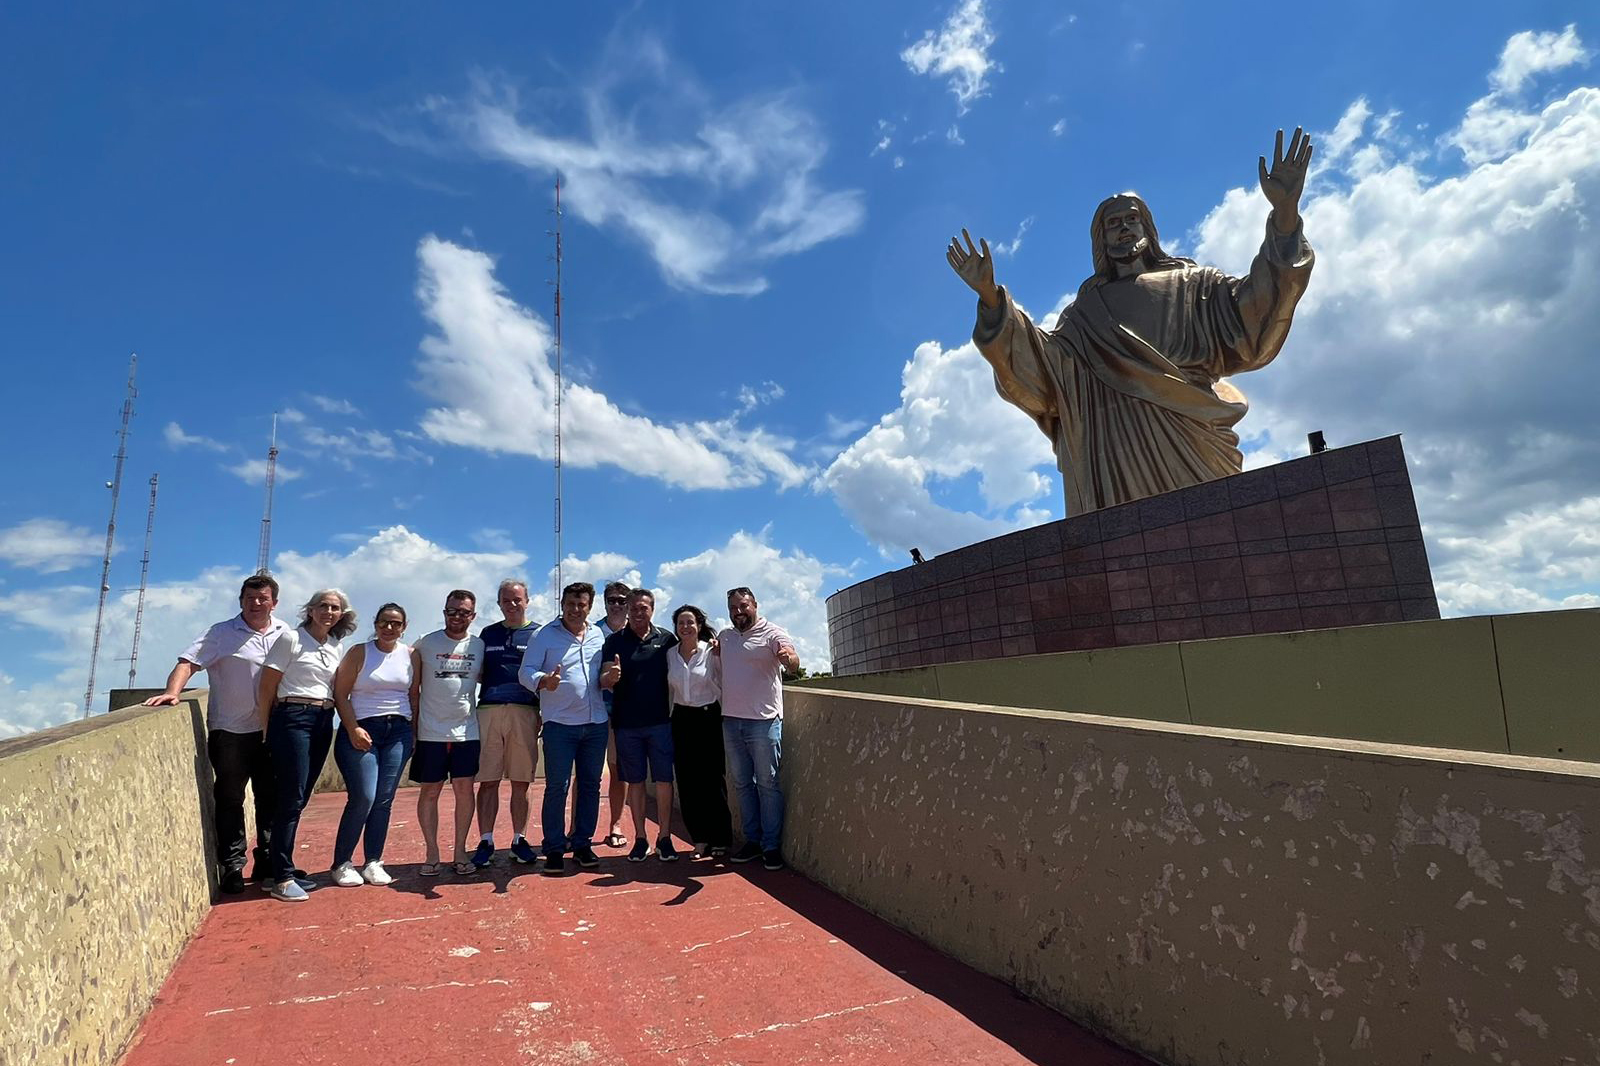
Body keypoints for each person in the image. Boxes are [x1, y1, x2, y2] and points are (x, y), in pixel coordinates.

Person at [946, 128, 1315, 513]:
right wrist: (990, 296)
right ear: (1100, 240)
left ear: (1147, 229)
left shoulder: (1195, 285)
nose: (1123, 227)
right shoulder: (1084, 315)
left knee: (1220, 542)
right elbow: (1043, 372)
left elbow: (1257, 311)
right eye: (1112, 223)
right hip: (1112, 461)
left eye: (1132, 219)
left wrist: (1285, 215)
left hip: (1193, 446)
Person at [143, 574, 290, 893]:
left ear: (273, 603)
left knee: (270, 800)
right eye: (249, 598)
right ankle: (233, 866)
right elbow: (187, 662)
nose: (255, 604)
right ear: (241, 601)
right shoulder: (221, 633)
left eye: (262, 598)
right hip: (230, 732)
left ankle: (266, 862)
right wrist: (172, 691)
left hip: (271, 729)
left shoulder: (285, 633)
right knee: (230, 799)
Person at [258, 588, 357, 902]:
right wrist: (265, 728)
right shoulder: (290, 639)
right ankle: (282, 879)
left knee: (300, 798)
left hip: (322, 720)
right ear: (311, 610)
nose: (329, 612)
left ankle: (276, 869)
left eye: (335, 608)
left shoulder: (336, 646)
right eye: (323, 606)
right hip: (292, 717)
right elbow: (266, 687)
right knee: (291, 796)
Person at [520, 581, 608, 875]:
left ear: (589, 606)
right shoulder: (544, 635)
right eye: (570, 604)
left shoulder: (597, 633)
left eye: (581, 604)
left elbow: (604, 672)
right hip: (560, 725)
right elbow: (525, 671)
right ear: (562, 605)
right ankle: (555, 848)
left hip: (596, 724)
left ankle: (582, 844)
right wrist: (545, 680)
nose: (575, 610)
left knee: (590, 787)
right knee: (557, 787)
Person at [329, 603, 416, 888]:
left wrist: (413, 733)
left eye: (396, 623)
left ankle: (373, 861)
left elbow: (414, 696)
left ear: (404, 627)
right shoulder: (359, 653)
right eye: (384, 622)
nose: (389, 628)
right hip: (363, 729)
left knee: (384, 799)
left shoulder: (411, 655)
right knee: (364, 796)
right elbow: (340, 694)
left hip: (398, 731)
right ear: (375, 623)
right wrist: (353, 727)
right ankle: (342, 863)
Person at [718, 587, 798, 871]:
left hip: (764, 722)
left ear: (755, 605)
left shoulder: (773, 633)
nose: (738, 612)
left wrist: (788, 658)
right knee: (742, 784)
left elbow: (791, 659)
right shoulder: (724, 637)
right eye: (733, 608)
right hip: (730, 721)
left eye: (743, 606)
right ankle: (752, 841)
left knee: (767, 784)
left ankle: (771, 846)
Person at [599, 588, 680, 862]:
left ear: (652, 609)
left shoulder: (667, 640)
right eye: (632, 607)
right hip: (626, 725)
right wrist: (611, 676)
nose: (636, 612)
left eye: (642, 607)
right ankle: (641, 838)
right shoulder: (614, 641)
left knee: (664, 781)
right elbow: (603, 679)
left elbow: (687, 662)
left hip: (660, 723)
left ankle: (665, 837)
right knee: (634, 782)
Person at [411, 590, 485, 876]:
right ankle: (432, 852)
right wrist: (414, 729)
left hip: (467, 732)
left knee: (465, 791)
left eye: (463, 612)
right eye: (451, 611)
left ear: (472, 616)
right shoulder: (425, 644)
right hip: (431, 732)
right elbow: (413, 689)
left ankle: (460, 851)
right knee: (430, 792)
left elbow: (485, 678)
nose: (457, 617)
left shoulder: (478, 646)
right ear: (444, 613)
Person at [473, 580, 541, 868]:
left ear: (527, 601)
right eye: (506, 600)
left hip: (524, 711)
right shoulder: (487, 634)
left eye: (517, 599)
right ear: (499, 603)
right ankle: (486, 840)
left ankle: (519, 839)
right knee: (487, 781)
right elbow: (476, 672)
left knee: (521, 782)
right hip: (488, 710)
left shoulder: (539, 634)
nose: (512, 605)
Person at [666, 604, 731, 859]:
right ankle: (700, 839)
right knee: (687, 781)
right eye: (681, 623)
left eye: (690, 622)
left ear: (699, 625)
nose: (685, 627)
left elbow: (727, 678)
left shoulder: (712, 651)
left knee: (713, 780)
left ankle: (720, 839)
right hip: (681, 718)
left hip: (708, 717)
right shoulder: (670, 654)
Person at [585, 579, 633, 849]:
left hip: (624, 713)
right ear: (604, 603)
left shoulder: (637, 632)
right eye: (612, 600)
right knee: (587, 773)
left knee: (619, 771)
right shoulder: (592, 632)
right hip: (591, 710)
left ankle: (615, 825)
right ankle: (578, 830)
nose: (617, 604)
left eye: (622, 600)